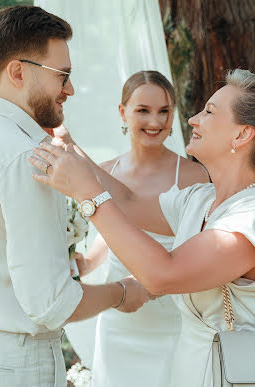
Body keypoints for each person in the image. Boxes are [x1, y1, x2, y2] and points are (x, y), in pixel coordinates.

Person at [30, 69, 255, 387]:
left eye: (209, 112)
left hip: (231, 376)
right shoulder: (199, 198)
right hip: (188, 372)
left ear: (241, 135)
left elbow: (163, 274)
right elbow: (125, 200)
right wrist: (67, 146)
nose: (192, 119)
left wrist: (86, 195)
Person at [0, 5, 150, 387]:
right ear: (18, 72)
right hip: (15, 364)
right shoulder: (27, 156)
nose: (70, 89)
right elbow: (50, 304)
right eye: (62, 76)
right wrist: (123, 293)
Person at [67, 70, 209, 387]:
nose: (155, 122)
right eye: (143, 110)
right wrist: (89, 262)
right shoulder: (107, 171)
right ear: (123, 112)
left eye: (164, 111)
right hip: (119, 319)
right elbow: (113, 231)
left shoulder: (193, 176)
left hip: (171, 318)